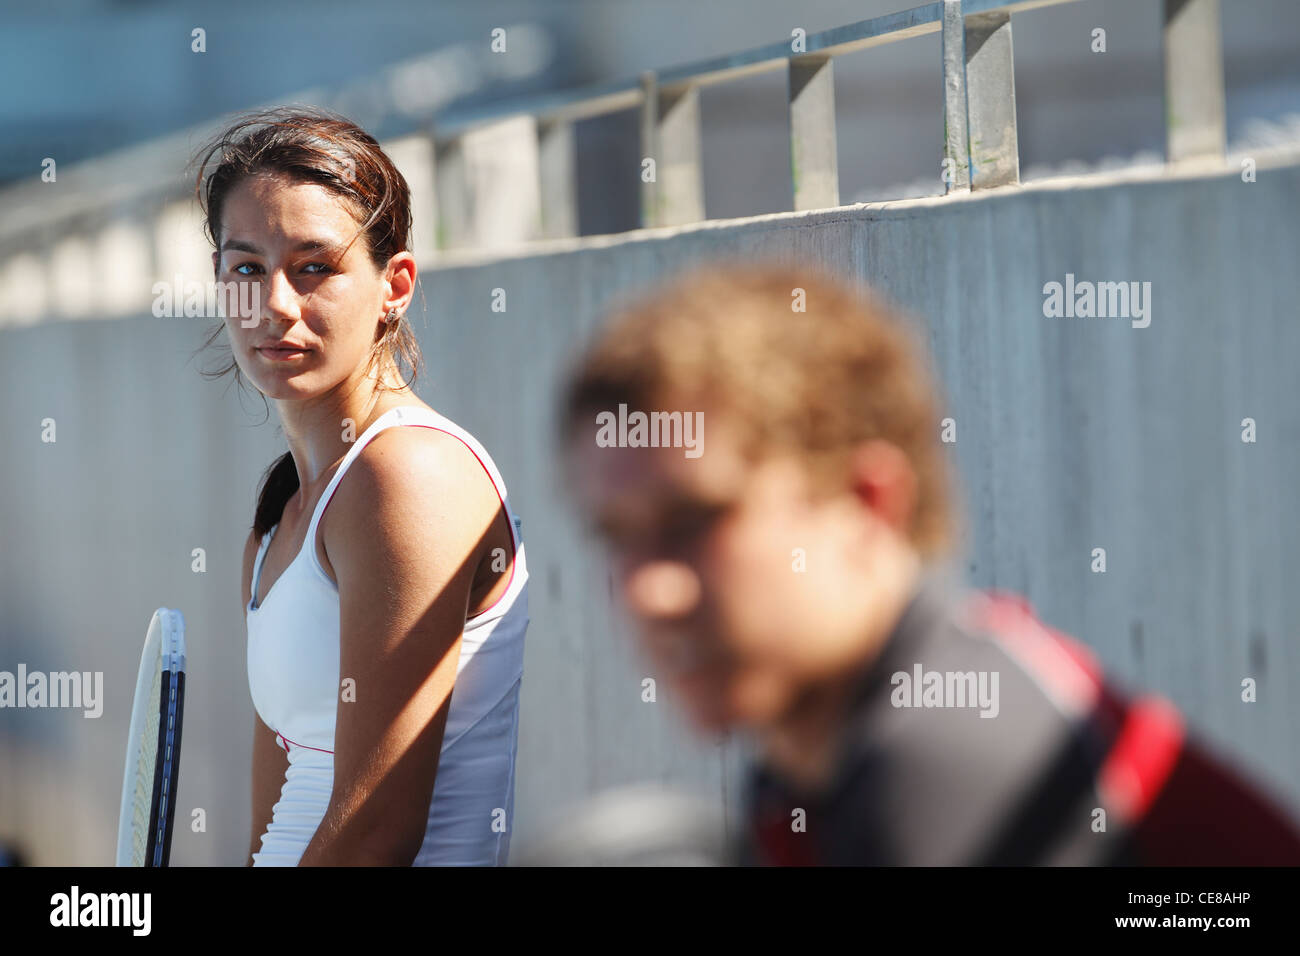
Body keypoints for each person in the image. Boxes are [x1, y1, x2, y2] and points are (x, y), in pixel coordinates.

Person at [558, 262, 1300, 865]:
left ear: (870, 501)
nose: (647, 590)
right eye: (615, 537)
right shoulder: (820, 755)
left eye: (693, 522)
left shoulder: (943, 757)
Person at [193, 108, 528, 865]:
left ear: (394, 285)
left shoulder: (408, 474)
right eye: (246, 268)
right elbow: (272, 823)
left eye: (314, 266)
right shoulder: (276, 522)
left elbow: (378, 833)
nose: (275, 304)